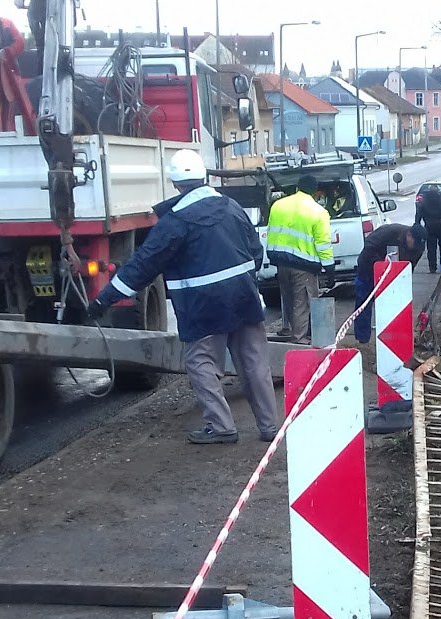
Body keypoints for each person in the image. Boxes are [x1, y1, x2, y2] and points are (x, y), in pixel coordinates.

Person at [90, 150, 278, 445]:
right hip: (243, 296)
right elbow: (255, 250)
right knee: (254, 361)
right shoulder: (231, 207)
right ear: (203, 177)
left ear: (176, 185)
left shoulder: (175, 222)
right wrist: (244, 280)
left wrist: (104, 300)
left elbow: (142, 265)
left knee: (200, 361)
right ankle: (268, 427)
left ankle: (221, 426)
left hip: (203, 306)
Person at [265, 174, 333, 344]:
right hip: (304, 267)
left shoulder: (278, 205)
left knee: (288, 300)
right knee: (302, 303)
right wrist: (329, 268)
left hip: (281, 262)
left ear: (297, 187)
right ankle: (299, 340)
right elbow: (323, 244)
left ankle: (291, 329)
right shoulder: (319, 212)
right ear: (315, 192)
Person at [352, 223, 426, 343]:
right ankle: (362, 337)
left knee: (391, 305)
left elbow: (410, 266)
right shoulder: (389, 232)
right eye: (414, 243)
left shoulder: (418, 248)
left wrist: (403, 280)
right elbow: (369, 247)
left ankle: (392, 335)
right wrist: (382, 266)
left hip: (393, 275)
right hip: (368, 269)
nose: (415, 248)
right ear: (409, 236)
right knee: (364, 302)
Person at [414, 186, 441, 274]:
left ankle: (432, 267)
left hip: (429, 227)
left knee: (431, 248)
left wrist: (417, 225)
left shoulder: (424, 202)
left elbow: (418, 215)